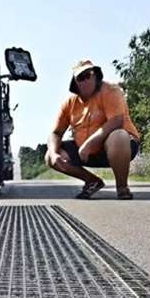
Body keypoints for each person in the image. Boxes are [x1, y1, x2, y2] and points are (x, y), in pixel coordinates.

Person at [46, 60, 140, 199]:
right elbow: (56, 133)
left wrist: (89, 143)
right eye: (80, 78)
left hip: (119, 147)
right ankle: (92, 181)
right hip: (86, 152)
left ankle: (122, 187)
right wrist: (54, 154)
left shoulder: (111, 90)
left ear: (96, 76)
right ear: (75, 83)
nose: (86, 80)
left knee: (118, 135)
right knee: (49, 155)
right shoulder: (70, 103)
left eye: (89, 74)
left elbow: (116, 121)